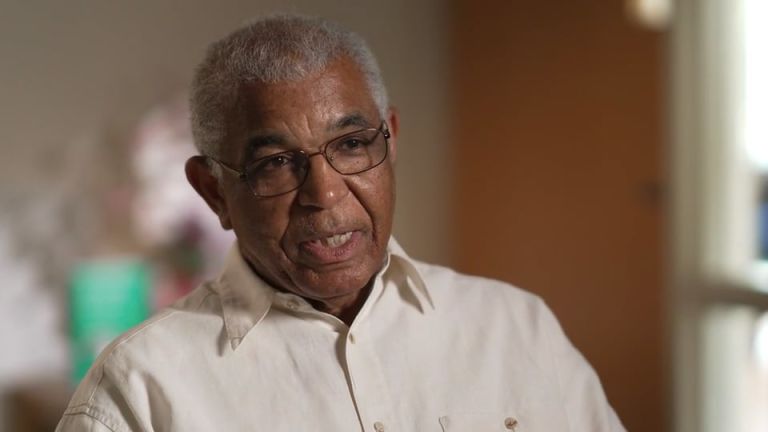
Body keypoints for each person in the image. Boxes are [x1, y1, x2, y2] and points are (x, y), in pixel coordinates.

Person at [56, 15, 625, 431]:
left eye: (352, 145)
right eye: (276, 162)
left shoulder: (516, 328)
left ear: (390, 141)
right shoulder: (138, 390)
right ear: (213, 191)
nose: (325, 195)